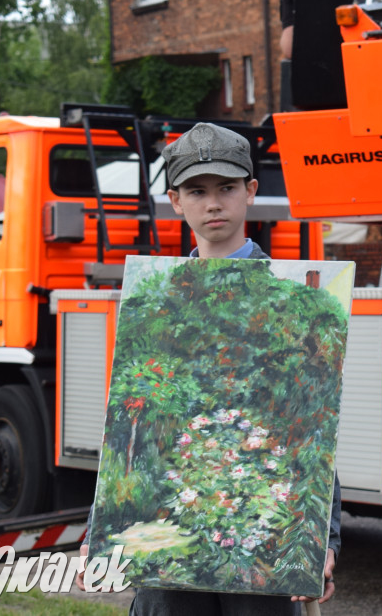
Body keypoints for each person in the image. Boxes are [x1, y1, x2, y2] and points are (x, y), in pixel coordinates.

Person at [76, 123, 342, 615]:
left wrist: (321, 539)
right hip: (167, 535)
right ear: (176, 201)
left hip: (262, 535)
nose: (213, 204)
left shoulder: (297, 302)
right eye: (197, 191)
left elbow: (311, 426)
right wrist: (103, 527)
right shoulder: (154, 301)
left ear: (251, 192)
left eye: (227, 188)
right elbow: (131, 426)